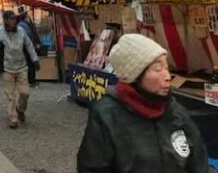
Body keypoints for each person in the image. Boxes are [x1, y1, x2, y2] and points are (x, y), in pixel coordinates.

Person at [77, 34, 208, 172]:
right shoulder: (107, 114)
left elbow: (198, 163)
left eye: (167, 68)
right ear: (135, 76)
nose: (168, 77)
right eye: (158, 69)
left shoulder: (175, 111)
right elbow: (92, 168)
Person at [0, 10, 38, 129]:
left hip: (22, 66)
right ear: (6, 20)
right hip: (7, 67)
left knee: (25, 93)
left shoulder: (21, 30)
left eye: (14, 19)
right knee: (10, 95)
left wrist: (35, 59)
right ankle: (13, 118)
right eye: (11, 19)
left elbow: (29, 45)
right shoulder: (0, 32)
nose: (13, 21)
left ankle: (20, 108)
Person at [18, 11, 41, 86]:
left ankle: (30, 80)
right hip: (26, 46)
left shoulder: (24, 25)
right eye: (28, 17)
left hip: (25, 46)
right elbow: (27, 36)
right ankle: (31, 81)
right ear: (25, 18)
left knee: (29, 63)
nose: (29, 18)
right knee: (30, 63)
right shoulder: (23, 25)